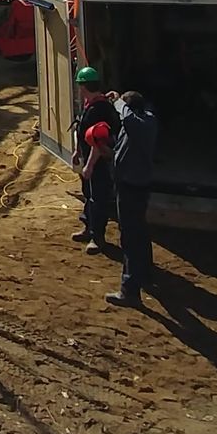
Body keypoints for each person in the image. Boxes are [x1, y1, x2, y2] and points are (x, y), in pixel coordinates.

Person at [108, 91, 157, 308]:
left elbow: (127, 118)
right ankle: (144, 273)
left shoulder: (141, 125)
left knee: (130, 237)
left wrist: (118, 103)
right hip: (135, 183)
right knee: (139, 231)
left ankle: (130, 289)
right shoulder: (146, 121)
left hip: (132, 186)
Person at [71, 65, 120, 254]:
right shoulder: (90, 105)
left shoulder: (99, 109)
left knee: (98, 198)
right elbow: (82, 130)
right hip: (88, 159)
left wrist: (90, 166)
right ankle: (88, 227)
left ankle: (97, 237)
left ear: (83, 87)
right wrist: (77, 151)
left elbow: (98, 142)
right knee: (89, 195)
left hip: (99, 163)